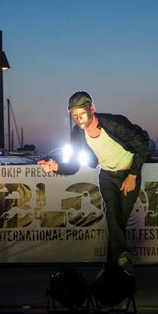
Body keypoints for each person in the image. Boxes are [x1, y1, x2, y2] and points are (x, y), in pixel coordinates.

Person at [38, 91, 150, 274]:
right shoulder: (77, 134)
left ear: (92, 108)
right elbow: (74, 165)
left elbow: (142, 144)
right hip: (107, 176)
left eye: (81, 113)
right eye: (74, 115)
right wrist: (56, 167)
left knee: (118, 223)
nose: (78, 119)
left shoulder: (115, 123)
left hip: (128, 175)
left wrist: (133, 175)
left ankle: (112, 268)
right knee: (113, 214)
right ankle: (123, 258)